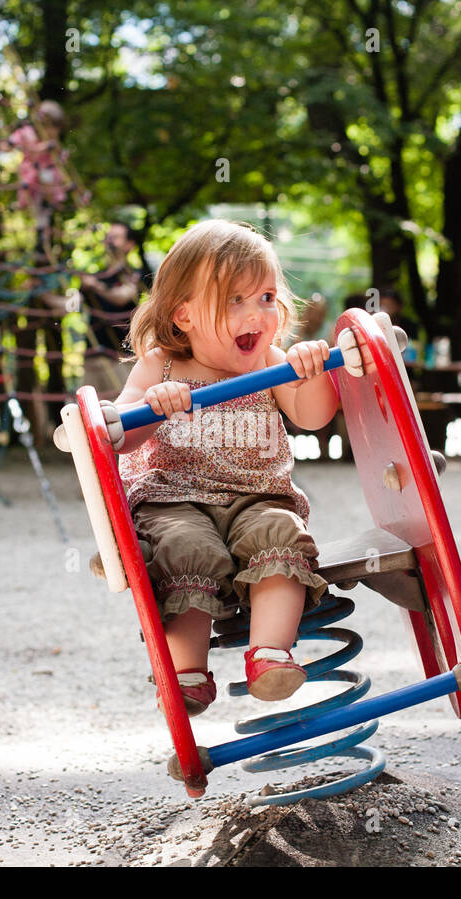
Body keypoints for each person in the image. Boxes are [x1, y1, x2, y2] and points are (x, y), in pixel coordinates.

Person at [101, 219, 341, 718]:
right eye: (236, 300)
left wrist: (313, 372)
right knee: (184, 550)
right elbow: (118, 435)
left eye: (267, 297)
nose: (257, 313)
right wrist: (150, 402)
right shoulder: (159, 366)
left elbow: (313, 416)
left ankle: (270, 654)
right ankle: (186, 671)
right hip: (173, 500)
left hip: (258, 496)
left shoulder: (273, 362)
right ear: (183, 314)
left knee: (281, 532)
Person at [79, 222, 147, 394]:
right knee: (90, 411)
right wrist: (40, 293)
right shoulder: (96, 276)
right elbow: (70, 306)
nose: (109, 241)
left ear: (129, 244)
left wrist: (96, 286)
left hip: (121, 356)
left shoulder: (135, 274)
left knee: (121, 411)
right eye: (108, 237)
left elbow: (122, 297)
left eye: (115, 237)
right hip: (93, 354)